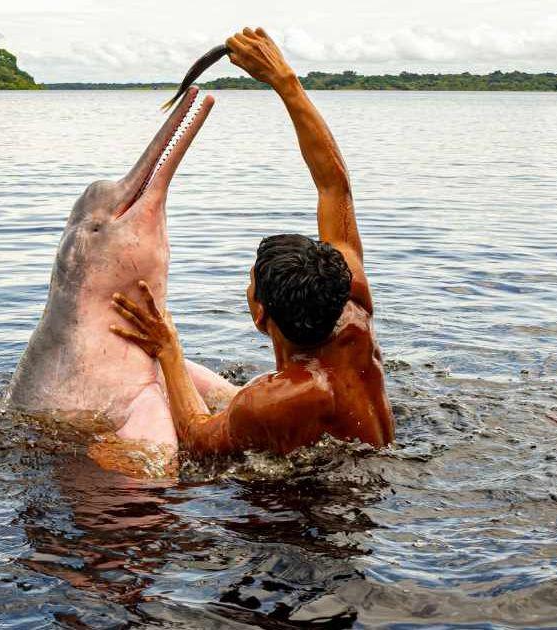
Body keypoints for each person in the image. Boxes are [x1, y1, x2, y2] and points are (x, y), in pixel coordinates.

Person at [109, 27, 393, 456]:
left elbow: (199, 437)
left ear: (260, 314)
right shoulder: (353, 310)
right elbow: (334, 187)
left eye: (250, 284)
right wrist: (284, 81)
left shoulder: (271, 401)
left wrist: (169, 348)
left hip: (313, 517)